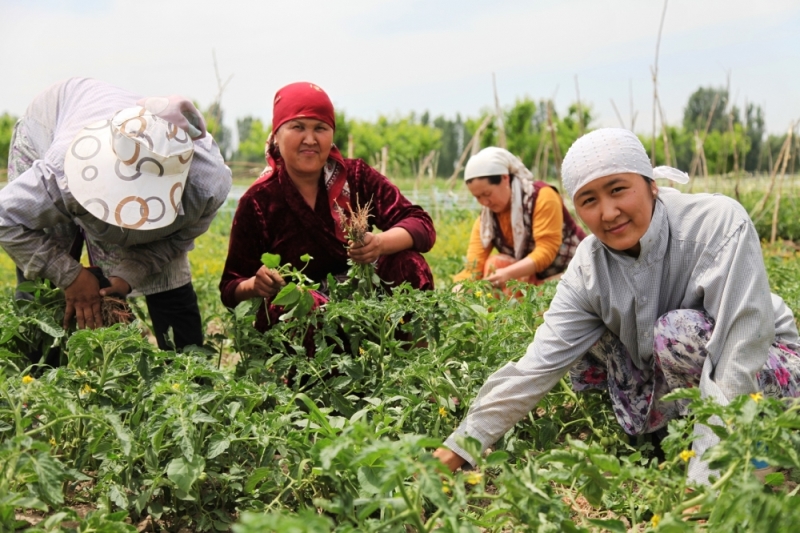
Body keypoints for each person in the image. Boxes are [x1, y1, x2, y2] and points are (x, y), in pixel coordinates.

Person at [434, 128, 800, 484]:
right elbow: (537, 366)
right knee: (582, 339)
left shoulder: (716, 223)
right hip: (676, 376)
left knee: (676, 333)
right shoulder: (589, 268)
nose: (608, 213)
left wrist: (710, 477)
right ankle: (677, 436)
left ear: (651, 184)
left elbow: (741, 349)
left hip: (765, 369)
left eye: (618, 189)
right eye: (589, 200)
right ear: (576, 209)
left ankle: (753, 449)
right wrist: (457, 449)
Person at [1, 77, 232, 352]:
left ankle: (188, 372)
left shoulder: (205, 185)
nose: (132, 219)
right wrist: (69, 275)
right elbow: (5, 219)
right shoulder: (62, 173)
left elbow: (175, 240)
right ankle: (37, 376)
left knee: (169, 285)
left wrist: (126, 277)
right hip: (52, 125)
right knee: (43, 289)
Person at [219, 82, 435, 331]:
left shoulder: (356, 177)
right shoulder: (259, 201)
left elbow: (421, 224)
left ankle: (410, 363)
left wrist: (379, 244)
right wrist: (255, 285)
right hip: (303, 325)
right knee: (293, 302)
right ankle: (319, 369)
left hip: (366, 304)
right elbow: (230, 286)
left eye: (320, 128)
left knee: (410, 264)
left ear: (331, 135)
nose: (310, 139)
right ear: (277, 135)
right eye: (297, 127)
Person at [453, 147, 585, 292]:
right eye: (477, 197)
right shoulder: (487, 221)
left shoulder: (543, 197)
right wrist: (460, 287)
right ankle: (507, 313)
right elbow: (474, 265)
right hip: (532, 281)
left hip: (570, 274)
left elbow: (546, 251)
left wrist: (508, 273)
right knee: (495, 264)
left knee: (504, 273)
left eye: (487, 193)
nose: (484, 202)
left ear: (505, 178)